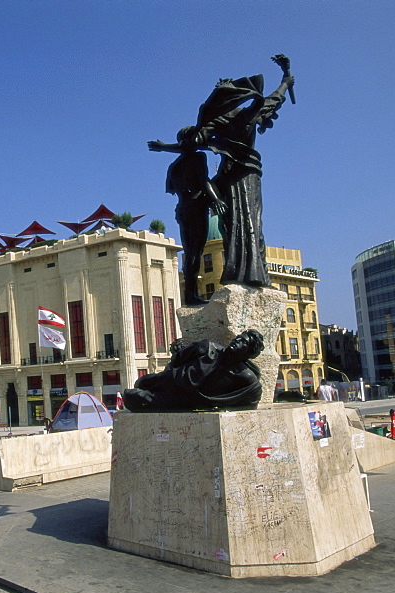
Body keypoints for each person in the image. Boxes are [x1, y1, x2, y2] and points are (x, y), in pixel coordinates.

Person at [151, 56, 294, 288]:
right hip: (234, 177)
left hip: (242, 177)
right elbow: (192, 143)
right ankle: (243, 273)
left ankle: (252, 273)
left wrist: (286, 77)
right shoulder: (234, 118)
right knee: (241, 223)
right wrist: (286, 78)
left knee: (245, 223)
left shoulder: (228, 120)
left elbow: (192, 143)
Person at [148, 128, 226, 305]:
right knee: (195, 252)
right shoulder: (198, 158)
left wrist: (163, 147)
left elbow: (172, 187)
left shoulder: (174, 166)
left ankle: (191, 294)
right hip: (197, 207)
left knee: (190, 250)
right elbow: (204, 181)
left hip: (182, 209)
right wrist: (216, 199)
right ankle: (192, 295)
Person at [122, 330, 265, 411]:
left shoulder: (246, 378)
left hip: (182, 400)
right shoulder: (207, 348)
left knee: (131, 397)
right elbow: (177, 359)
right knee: (140, 382)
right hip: (170, 380)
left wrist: (226, 409)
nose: (236, 341)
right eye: (238, 338)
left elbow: (251, 403)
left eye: (243, 342)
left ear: (249, 353)